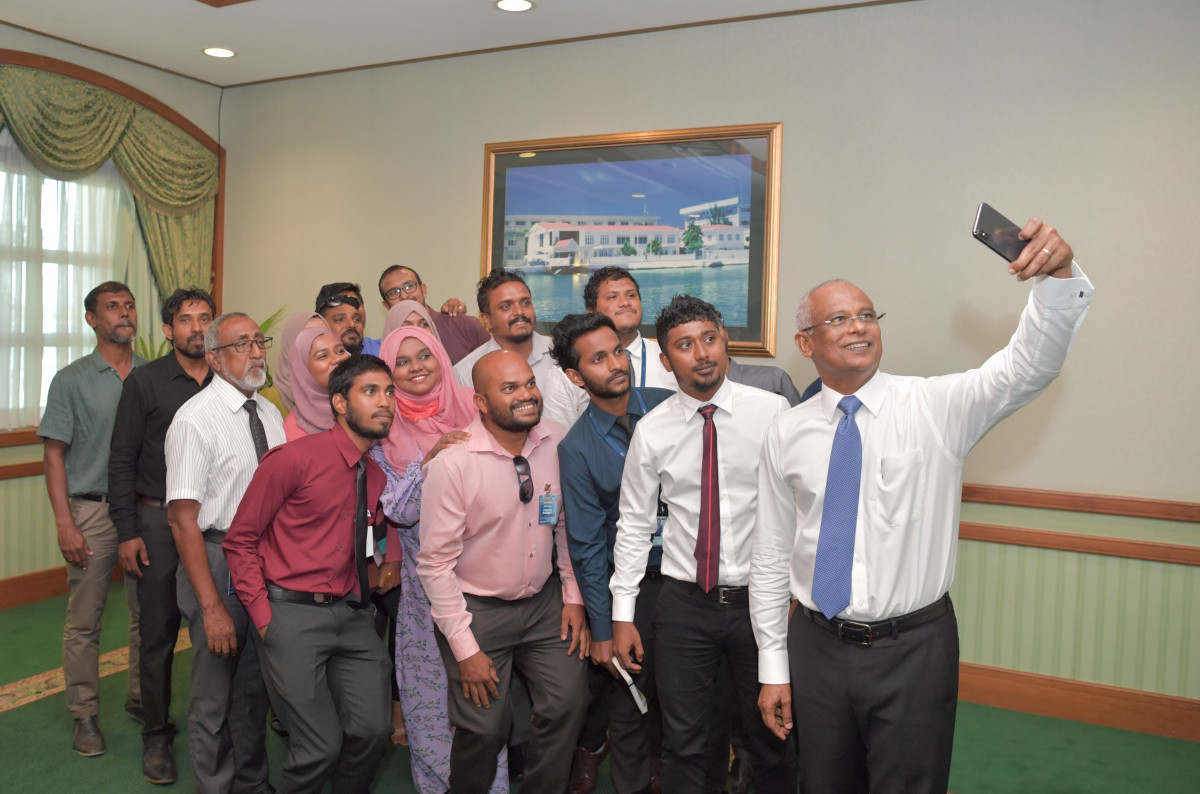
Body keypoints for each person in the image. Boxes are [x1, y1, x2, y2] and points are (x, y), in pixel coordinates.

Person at [751, 219, 1094, 794]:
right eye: (838, 318)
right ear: (806, 343)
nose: (858, 326)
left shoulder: (936, 407)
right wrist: (772, 666)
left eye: (866, 315)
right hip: (817, 647)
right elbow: (770, 554)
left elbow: (1026, 368)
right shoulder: (784, 433)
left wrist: (1055, 279)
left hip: (913, 650)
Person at [610, 295, 792, 793]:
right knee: (686, 742)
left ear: (724, 340)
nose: (702, 353)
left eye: (709, 339)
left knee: (772, 738)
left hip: (763, 603)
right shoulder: (653, 431)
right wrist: (623, 614)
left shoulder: (773, 412)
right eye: (685, 346)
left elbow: (802, 507)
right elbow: (633, 525)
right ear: (667, 362)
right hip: (686, 606)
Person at [224, 354, 400, 794]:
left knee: (373, 733)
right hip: (292, 616)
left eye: (390, 392)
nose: (386, 403)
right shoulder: (293, 459)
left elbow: (375, 537)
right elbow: (240, 540)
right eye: (371, 391)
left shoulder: (374, 474)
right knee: (319, 746)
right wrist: (266, 618)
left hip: (354, 616)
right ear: (340, 403)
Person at [418, 350, 590, 794]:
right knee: (485, 728)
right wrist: (464, 647)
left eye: (529, 383)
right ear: (480, 401)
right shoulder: (453, 463)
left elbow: (569, 526)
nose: (526, 395)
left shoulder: (557, 440)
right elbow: (434, 564)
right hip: (477, 610)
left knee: (568, 703)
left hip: (545, 604)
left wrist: (572, 596)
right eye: (509, 389)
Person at [375, 326, 508, 793]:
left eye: (424, 356)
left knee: (485, 700)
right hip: (424, 591)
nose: (416, 367)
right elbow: (399, 511)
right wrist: (429, 458)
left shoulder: (477, 407)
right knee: (429, 702)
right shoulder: (385, 429)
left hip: (488, 582)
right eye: (403, 362)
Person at [551, 313, 673, 794]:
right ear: (576, 376)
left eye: (617, 351)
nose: (615, 364)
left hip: (690, 579)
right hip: (633, 589)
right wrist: (602, 628)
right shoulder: (576, 447)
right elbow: (585, 547)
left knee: (685, 704)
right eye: (598, 359)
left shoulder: (669, 406)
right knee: (630, 708)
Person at [165, 312, 282, 793]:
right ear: (214, 358)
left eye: (260, 341)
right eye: (242, 345)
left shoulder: (269, 412)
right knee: (214, 697)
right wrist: (211, 606)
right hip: (216, 561)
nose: (257, 352)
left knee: (253, 691)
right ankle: (215, 786)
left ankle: (253, 785)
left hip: (265, 564)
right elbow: (181, 520)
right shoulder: (194, 420)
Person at [108, 287, 215, 783]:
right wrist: (127, 532)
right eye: (186, 319)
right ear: (169, 330)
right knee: (158, 635)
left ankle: (215, 729)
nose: (197, 327)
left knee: (217, 628)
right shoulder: (145, 383)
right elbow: (122, 460)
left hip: (214, 527)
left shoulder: (228, 384)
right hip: (156, 523)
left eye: (204, 318)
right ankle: (156, 735)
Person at [37, 281, 144, 758]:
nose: (123, 314)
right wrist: (65, 522)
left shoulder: (151, 374)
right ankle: (84, 714)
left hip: (144, 511)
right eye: (112, 308)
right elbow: (53, 455)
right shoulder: (71, 379)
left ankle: (143, 697)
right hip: (93, 510)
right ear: (92, 320)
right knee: (85, 622)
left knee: (148, 615)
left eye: (128, 305)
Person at [378, 264, 489, 363]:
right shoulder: (389, 346)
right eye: (393, 292)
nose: (404, 296)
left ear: (424, 290)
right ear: (387, 306)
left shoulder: (463, 325)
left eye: (409, 286)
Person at [281, 326, 349, 440]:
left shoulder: (364, 405)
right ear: (303, 370)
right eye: (323, 356)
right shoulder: (294, 430)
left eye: (340, 351)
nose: (337, 359)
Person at [274, 311, 330, 412]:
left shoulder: (339, 393)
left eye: (322, 335)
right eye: (308, 337)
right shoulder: (270, 399)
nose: (319, 344)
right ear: (290, 344)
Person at [316, 282, 376, 355]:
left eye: (356, 319)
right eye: (339, 319)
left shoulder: (383, 349)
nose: (351, 324)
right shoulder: (312, 360)